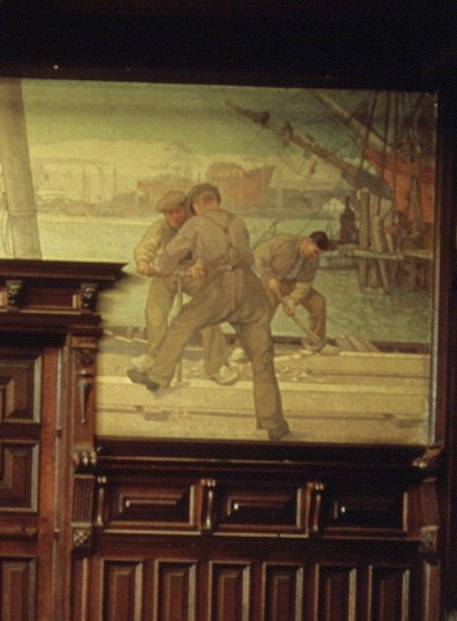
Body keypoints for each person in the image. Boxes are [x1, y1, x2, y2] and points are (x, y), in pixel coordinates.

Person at [128, 183, 287, 440]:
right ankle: (274, 423)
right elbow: (235, 252)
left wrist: (161, 269)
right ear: (217, 201)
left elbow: (170, 255)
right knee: (262, 358)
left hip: (221, 288)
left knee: (181, 323)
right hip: (251, 290)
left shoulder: (195, 224)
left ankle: (157, 378)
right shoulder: (237, 221)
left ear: (197, 206)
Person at [131, 189, 235, 385]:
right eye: (170, 213)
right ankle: (153, 355)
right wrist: (143, 262)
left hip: (195, 273)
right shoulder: (160, 227)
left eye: (178, 211)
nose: (175, 217)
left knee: (208, 313)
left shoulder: (198, 224)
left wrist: (200, 265)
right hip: (167, 272)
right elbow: (147, 245)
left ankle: (217, 366)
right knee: (155, 310)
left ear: (185, 209)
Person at [255, 230, 332, 351]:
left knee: (319, 303)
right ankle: (249, 346)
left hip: (293, 285)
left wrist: (293, 300)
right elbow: (259, 254)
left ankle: (314, 343)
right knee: (264, 310)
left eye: (319, 254)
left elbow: (305, 283)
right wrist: (270, 277)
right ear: (308, 241)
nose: (316, 256)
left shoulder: (313, 259)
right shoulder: (285, 242)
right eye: (315, 251)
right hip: (272, 282)